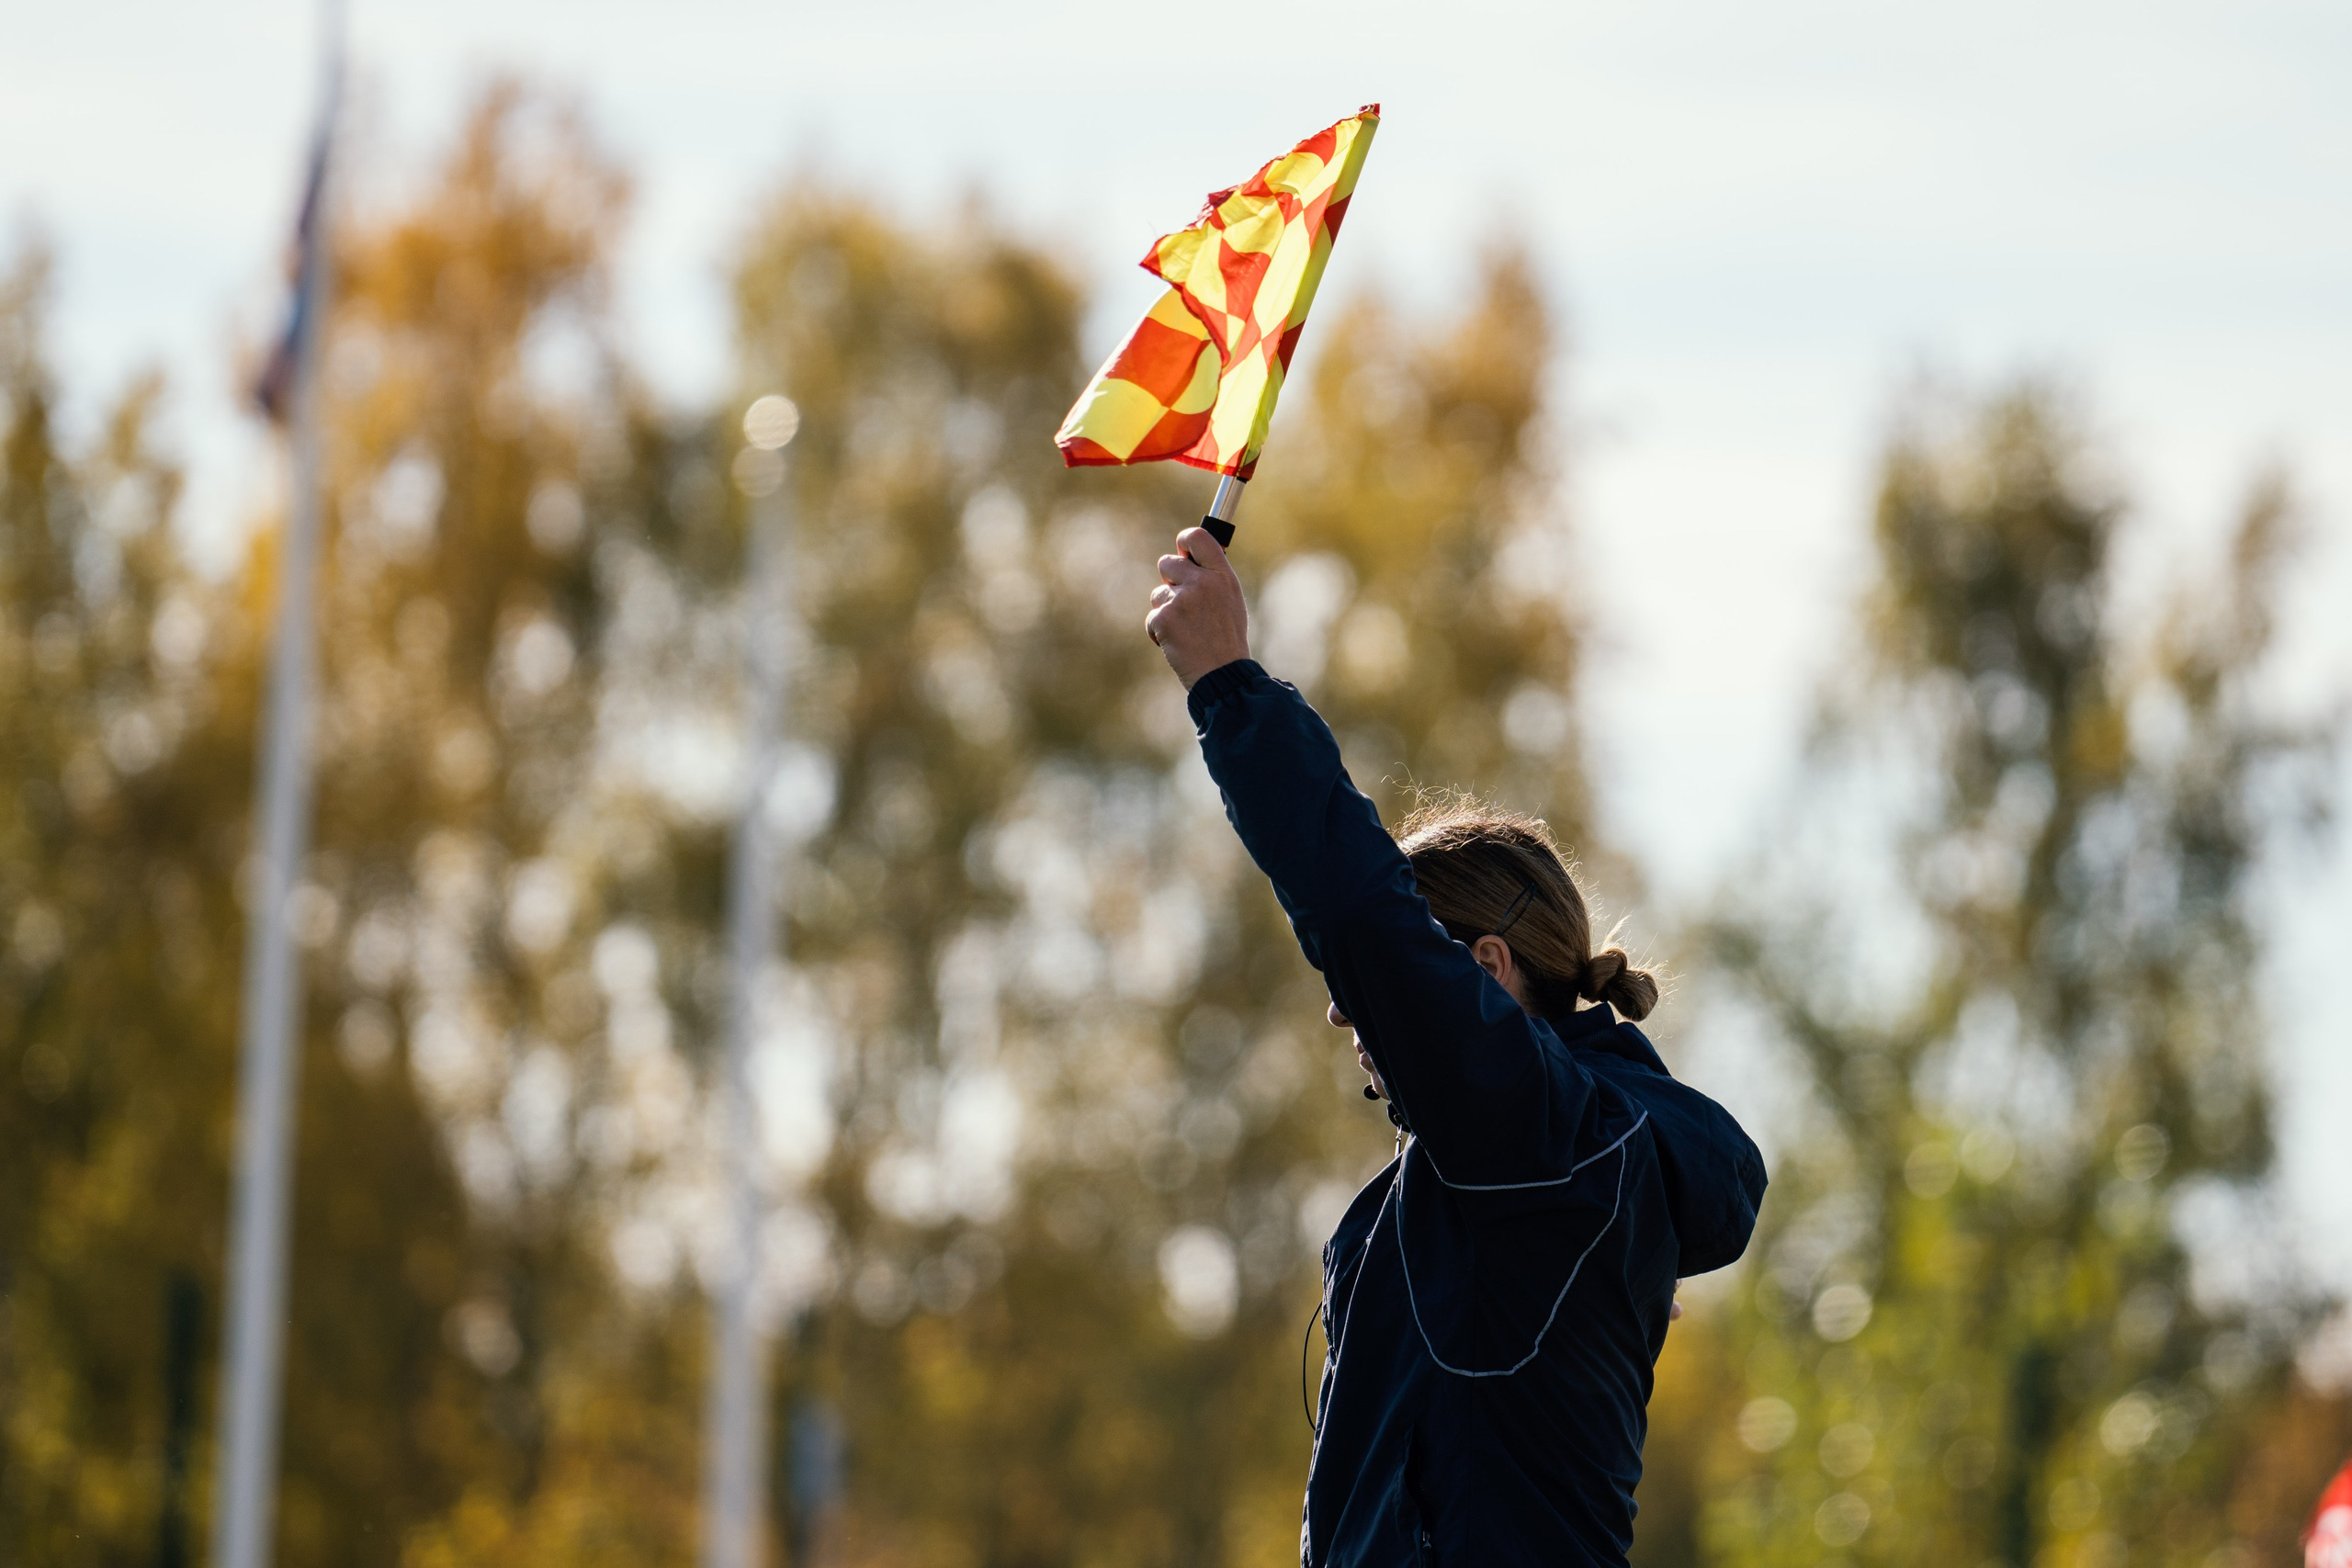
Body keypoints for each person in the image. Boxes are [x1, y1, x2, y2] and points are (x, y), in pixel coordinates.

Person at [1146, 526, 1768, 1567]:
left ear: (1483, 972)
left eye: (1374, 995)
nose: (1346, 1017)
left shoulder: (1544, 1144)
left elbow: (1359, 915)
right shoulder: (1527, 1154)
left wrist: (1226, 684)